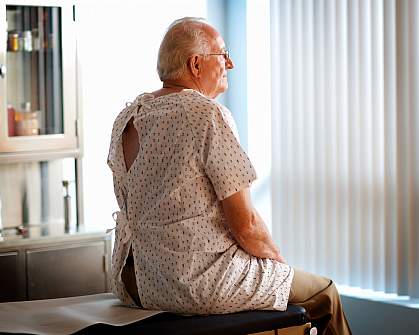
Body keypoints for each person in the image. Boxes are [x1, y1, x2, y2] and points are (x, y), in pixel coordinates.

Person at [107, 17, 352, 335]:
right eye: (222, 54)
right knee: (326, 293)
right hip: (192, 282)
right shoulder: (205, 114)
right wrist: (277, 263)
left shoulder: (127, 116)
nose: (230, 63)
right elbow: (246, 225)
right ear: (196, 64)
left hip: (135, 282)